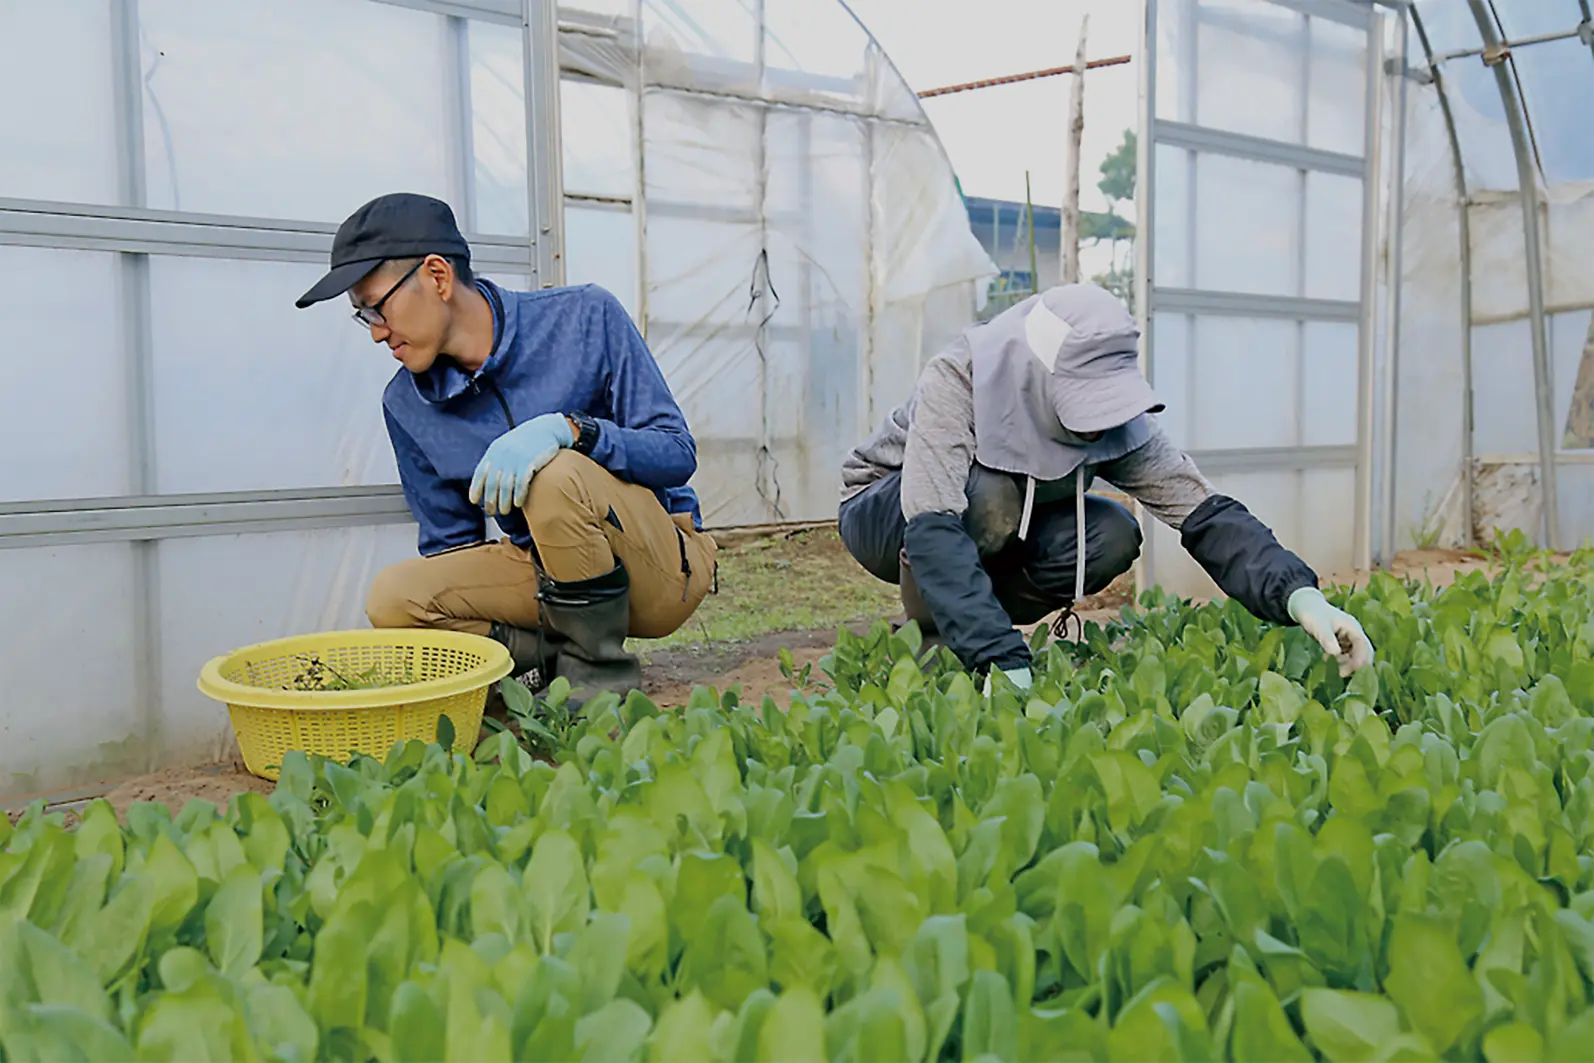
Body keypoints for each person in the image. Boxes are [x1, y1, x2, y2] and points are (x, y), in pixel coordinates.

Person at [837, 282, 1375, 689]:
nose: (1095, 426)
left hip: (985, 528)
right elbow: (933, 522)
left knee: (1113, 532)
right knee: (990, 494)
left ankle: (978, 627)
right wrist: (1003, 663)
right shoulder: (960, 378)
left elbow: (1204, 514)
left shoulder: (1119, 422)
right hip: (885, 509)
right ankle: (937, 643)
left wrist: (1299, 595)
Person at [294, 192, 716, 703]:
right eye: (363, 317)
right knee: (395, 598)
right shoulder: (405, 403)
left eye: (376, 308)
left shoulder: (584, 316)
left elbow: (674, 453)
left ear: (437, 276)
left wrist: (572, 430)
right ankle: (546, 664)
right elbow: (452, 548)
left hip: (657, 567)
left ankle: (600, 685)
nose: (377, 334)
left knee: (554, 473)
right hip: (544, 579)